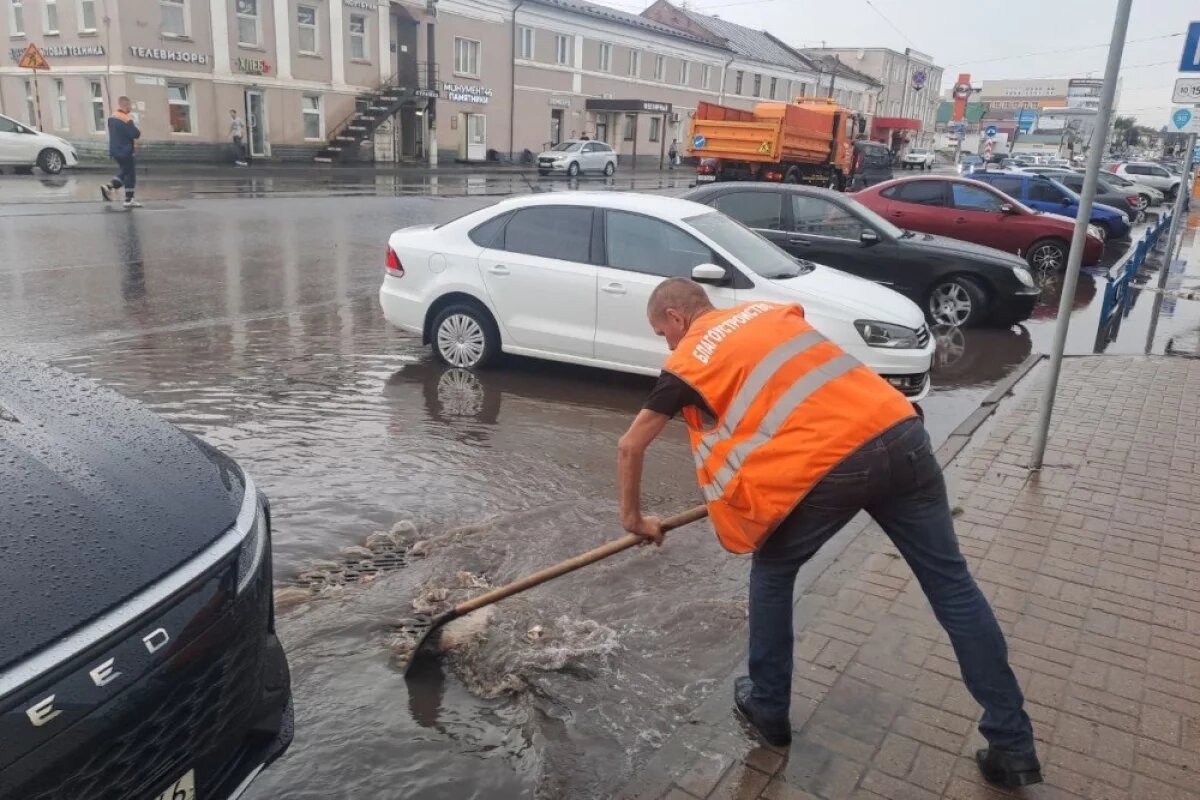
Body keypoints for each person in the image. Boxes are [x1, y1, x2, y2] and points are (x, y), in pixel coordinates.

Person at [616, 279, 1042, 790]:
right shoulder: (769, 314)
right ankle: (1013, 744)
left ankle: (769, 707)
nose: (665, 343)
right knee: (952, 585)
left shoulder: (689, 362)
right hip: (902, 433)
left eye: (661, 331)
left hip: (834, 467)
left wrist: (635, 520)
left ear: (676, 317)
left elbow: (630, 445)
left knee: (773, 570)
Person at [100, 96, 141, 209]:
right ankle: (129, 199)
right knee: (130, 174)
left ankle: (109, 187)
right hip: (126, 150)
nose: (131, 108)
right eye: (130, 105)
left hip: (114, 150)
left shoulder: (112, 117)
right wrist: (135, 127)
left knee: (125, 171)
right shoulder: (126, 119)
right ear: (125, 105)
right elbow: (135, 134)